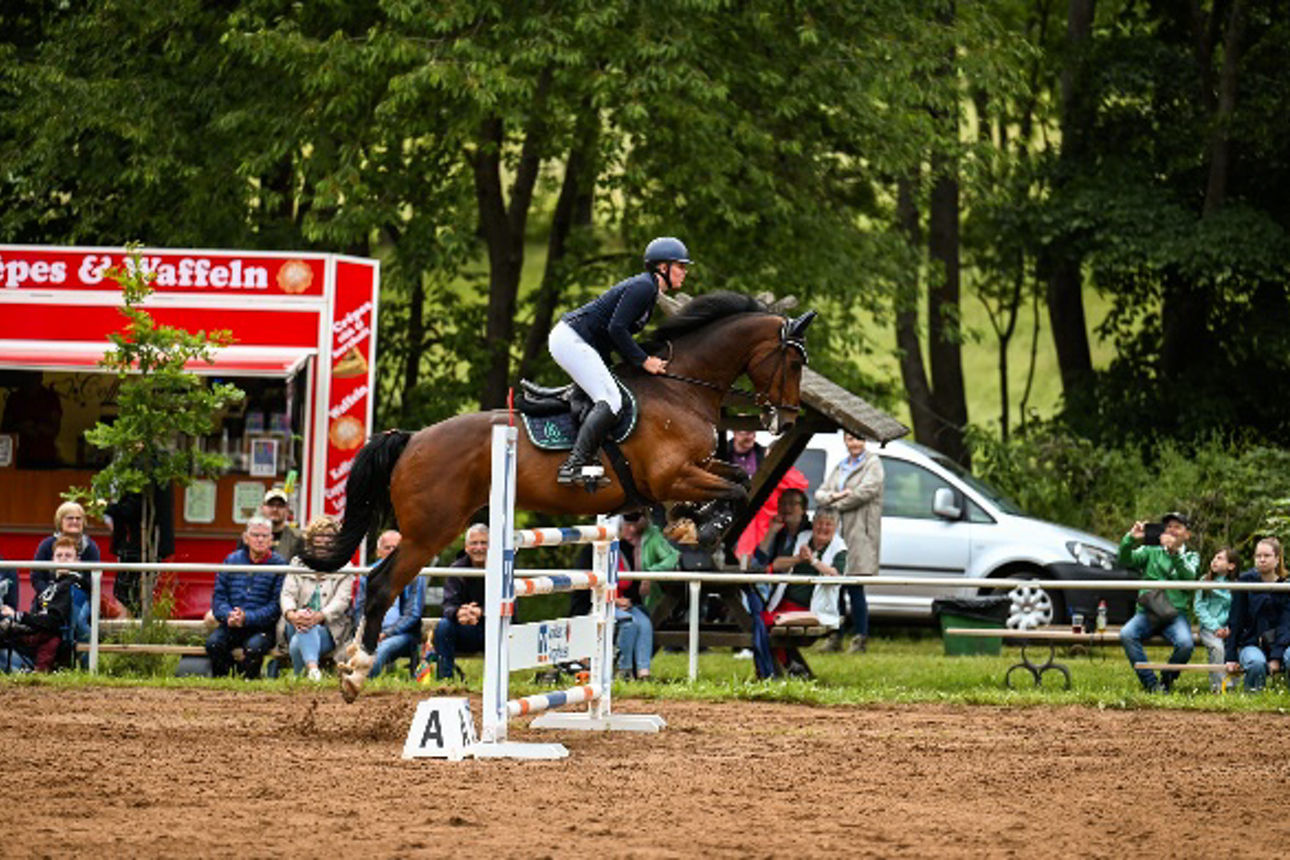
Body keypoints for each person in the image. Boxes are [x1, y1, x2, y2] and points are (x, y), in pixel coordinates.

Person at [548, 237, 689, 484]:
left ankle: (588, 458)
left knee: (610, 392)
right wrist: (644, 361)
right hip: (572, 339)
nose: (685, 272)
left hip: (579, 340)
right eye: (680, 266)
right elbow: (617, 329)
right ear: (662, 268)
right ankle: (574, 465)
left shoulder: (649, 290)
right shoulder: (644, 287)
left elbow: (613, 334)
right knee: (611, 400)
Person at [814, 432, 884, 653]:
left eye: (859, 439)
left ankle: (860, 638)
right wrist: (835, 496)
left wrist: (834, 501)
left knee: (855, 586)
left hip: (859, 534)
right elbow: (820, 493)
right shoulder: (841, 465)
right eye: (850, 439)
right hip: (838, 533)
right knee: (836, 585)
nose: (855, 443)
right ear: (845, 440)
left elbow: (865, 492)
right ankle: (835, 636)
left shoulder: (873, 464)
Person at [759, 507, 847, 678]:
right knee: (757, 624)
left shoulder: (839, 548)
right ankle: (781, 667)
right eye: (819, 523)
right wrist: (798, 559)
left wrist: (813, 561)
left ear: (835, 527)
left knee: (766, 624)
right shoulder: (802, 538)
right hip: (784, 603)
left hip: (812, 609)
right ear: (813, 525)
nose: (823, 528)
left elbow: (836, 575)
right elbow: (777, 564)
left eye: (828, 524)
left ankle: (779, 668)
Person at [1117, 512, 1199, 692]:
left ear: (1187, 535)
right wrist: (1130, 538)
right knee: (1127, 634)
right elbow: (1124, 559)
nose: (1172, 530)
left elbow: (1189, 577)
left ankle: (1167, 680)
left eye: (1177, 527)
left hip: (1175, 614)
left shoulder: (1192, 556)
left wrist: (1174, 553)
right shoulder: (1150, 550)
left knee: (1185, 645)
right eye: (1168, 527)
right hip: (1148, 612)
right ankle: (1152, 685)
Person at [205, 517, 285, 679]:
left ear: (271, 539)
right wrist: (228, 615)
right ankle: (224, 681)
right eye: (255, 535)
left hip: (263, 628)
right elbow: (219, 599)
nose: (260, 539)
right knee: (213, 644)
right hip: (231, 624)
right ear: (246, 538)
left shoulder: (280, 565)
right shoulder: (231, 561)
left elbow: (276, 606)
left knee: (254, 648)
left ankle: (250, 683)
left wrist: (247, 618)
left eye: (264, 536)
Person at [278, 517, 354, 681]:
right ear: (310, 542)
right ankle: (313, 671)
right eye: (318, 538)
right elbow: (287, 594)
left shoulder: (345, 567)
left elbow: (342, 601)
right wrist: (292, 614)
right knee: (304, 619)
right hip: (294, 622)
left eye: (328, 539)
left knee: (298, 641)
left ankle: (303, 676)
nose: (323, 544)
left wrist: (319, 616)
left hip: (329, 629)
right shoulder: (298, 563)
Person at [0, 536, 81, 672]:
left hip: (44, 640)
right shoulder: (52, 586)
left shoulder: (71, 586)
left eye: (68, 556)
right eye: (59, 555)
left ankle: (24, 672)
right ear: (52, 560)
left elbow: (53, 622)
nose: (63, 559)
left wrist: (18, 616)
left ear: (78, 561)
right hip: (32, 634)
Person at [353, 537, 426, 680]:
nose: (393, 553)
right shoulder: (368, 575)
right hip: (369, 632)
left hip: (402, 634)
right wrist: (369, 632)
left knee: (381, 650)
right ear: (378, 552)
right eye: (388, 548)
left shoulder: (416, 575)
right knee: (350, 650)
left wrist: (385, 634)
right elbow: (359, 610)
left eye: (397, 548)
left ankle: (364, 684)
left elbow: (412, 614)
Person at [1224, 537, 1290, 692]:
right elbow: (1236, 620)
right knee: (1256, 663)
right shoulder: (1245, 583)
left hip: (1284, 642)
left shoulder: (1287, 586)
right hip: (1252, 643)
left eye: (1267, 556)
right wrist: (1231, 656)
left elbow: (1287, 624)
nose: (1262, 560)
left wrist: (1276, 656)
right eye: (1258, 556)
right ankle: (1253, 703)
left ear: (1277, 559)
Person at [435, 524, 488, 681]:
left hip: (492, 630)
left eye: (484, 543)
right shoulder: (456, 569)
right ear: (466, 547)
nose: (479, 548)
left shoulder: (502, 568)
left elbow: (513, 610)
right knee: (443, 626)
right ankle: (445, 681)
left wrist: (482, 612)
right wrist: (460, 612)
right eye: (474, 543)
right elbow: (448, 605)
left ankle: (494, 683)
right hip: (465, 628)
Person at [614, 513, 654, 680]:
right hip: (602, 602)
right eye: (627, 526)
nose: (632, 530)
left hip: (627, 603)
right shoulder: (591, 552)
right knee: (629, 624)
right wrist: (613, 600)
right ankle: (625, 670)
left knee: (644, 624)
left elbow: (632, 585)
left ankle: (644, 671)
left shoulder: (627, 549)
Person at [32, 501, 100, 595]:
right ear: (60, 521)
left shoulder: (90, 547)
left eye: (78, 518)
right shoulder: (47, 545)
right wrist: (50, 594)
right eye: (70, 518)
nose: (75, 521)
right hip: (49, 597)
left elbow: (92, 580)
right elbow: (37, 577)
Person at [1195, 548, 1236, 693]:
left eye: (1220, 558)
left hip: (1228, 628)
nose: (1214, 560)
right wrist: (1215, 627)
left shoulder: (1235, 585)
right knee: (1217, 648)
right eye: (1214, 557)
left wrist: (1230, 627)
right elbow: (1199, 608)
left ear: (1231, 566)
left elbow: (1236, 609)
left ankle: (1231, 685)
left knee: (1237, 647)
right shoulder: (1205, 581)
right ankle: (1218, 687)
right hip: (1209, 627)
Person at [261, 487, 303, 563]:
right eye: (271, 505)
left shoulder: (298, 538)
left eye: (280, 505)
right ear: (262, 508)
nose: (275, 509)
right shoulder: (252, 535)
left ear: (287, 510)